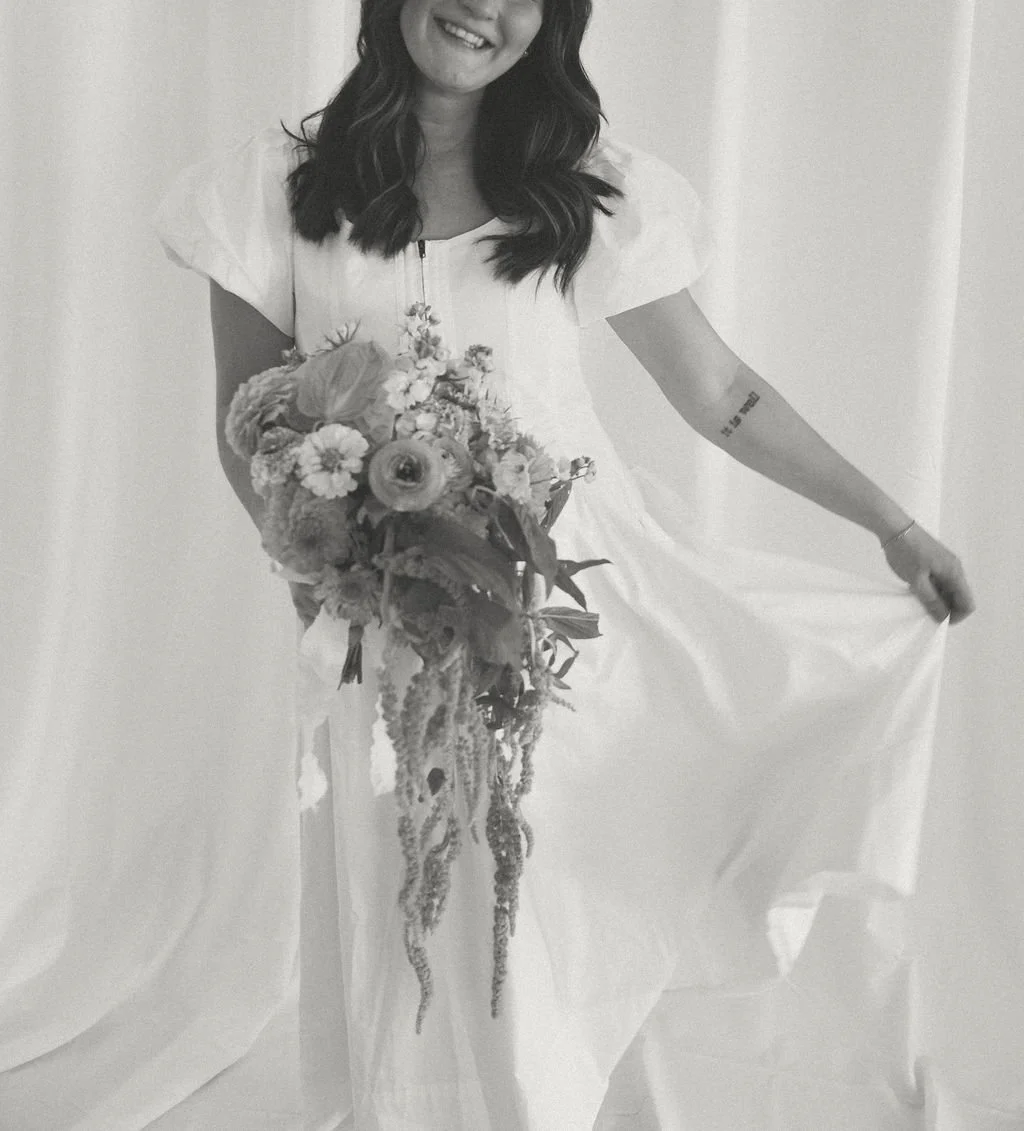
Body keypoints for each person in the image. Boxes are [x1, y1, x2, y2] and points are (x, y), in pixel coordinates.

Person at [153, 0, 976, 1127]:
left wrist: (890, 524)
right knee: (409, 907)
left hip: (573, 623)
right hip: (387, 630)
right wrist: (330, 582)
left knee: (543, 917)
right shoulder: (273, 191)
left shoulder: (583, 193)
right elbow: (249, 429)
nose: (482, 7)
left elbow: (723, 396)